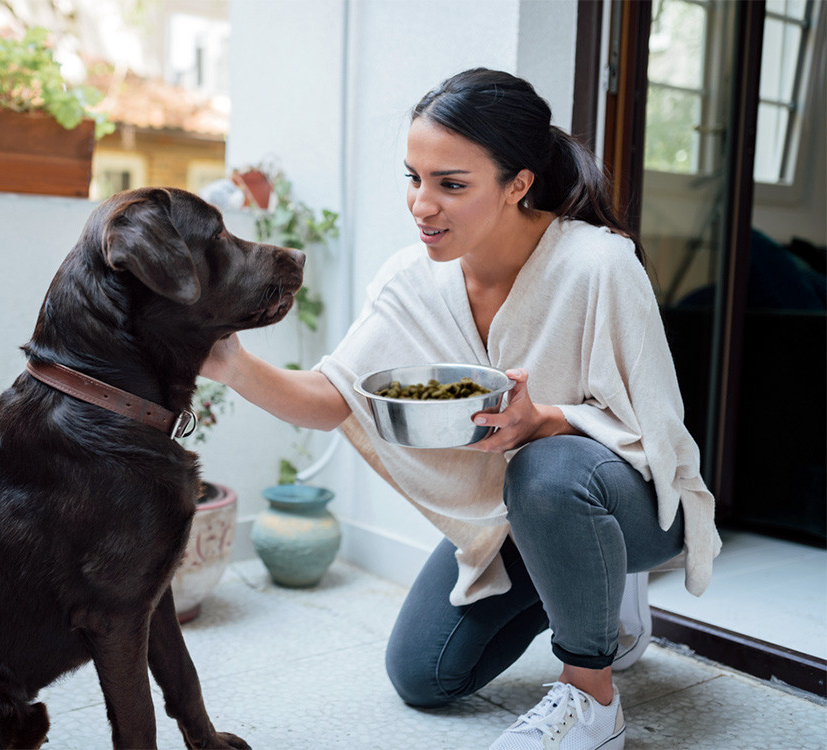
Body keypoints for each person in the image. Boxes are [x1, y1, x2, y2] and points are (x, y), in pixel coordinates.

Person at [202, 68, 720, 750]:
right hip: (514, 519)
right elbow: (334, 399)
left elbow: (661, 439)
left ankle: (592, 694)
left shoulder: (599, 265)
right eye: (413, 178)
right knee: (422, 675)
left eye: (451, 184)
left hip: (635, 505)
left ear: (518, 184)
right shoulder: (410, 280)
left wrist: (550, 421)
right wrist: (231, 364)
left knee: (547, 468)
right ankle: (581, 583)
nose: (422, 205)